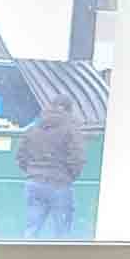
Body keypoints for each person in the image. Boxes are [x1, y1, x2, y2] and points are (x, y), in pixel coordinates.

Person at [13, 95, 87, 240]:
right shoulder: (72, 129)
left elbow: (20, 157)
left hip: (34, 182)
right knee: (62, 235)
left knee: (31, 231)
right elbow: (77, 157)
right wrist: (70, 176)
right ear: (69, 110)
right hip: (60, 183)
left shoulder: (34, 128)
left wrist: (33, 172)